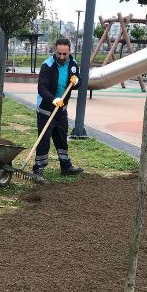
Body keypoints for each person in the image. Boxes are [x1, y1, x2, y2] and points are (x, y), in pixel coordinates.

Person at [34, 38, 84, 183]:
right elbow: (42, 88)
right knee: (44, 140)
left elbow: (77, 81)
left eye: (64, 54)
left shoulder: (73, 64)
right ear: (55, 51)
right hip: (46, 110)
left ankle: (65, 165)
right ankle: (38, 168)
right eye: (59, 53)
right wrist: (53, 99)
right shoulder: (47, 65)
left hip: (62, 110)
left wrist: (77, 82)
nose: (62, 57)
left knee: (61, 137)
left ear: (69, 52)